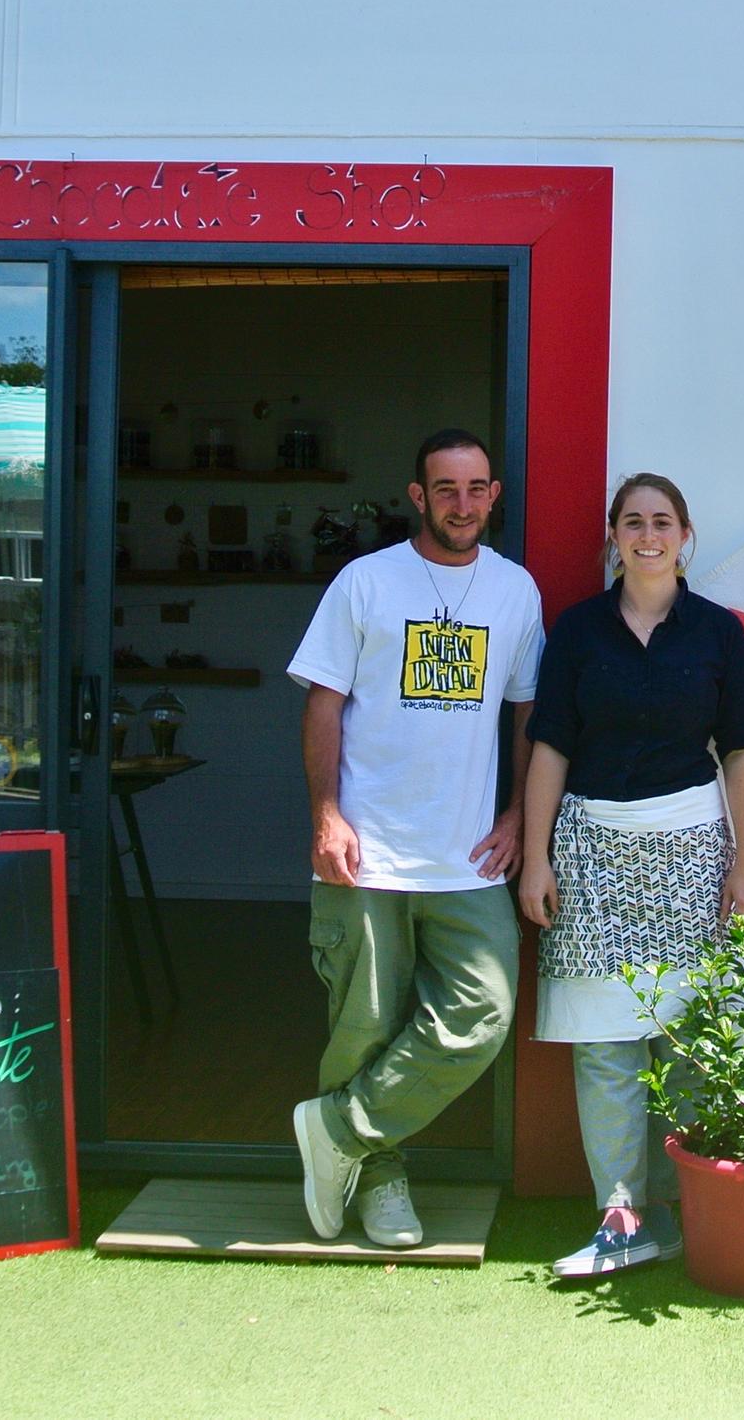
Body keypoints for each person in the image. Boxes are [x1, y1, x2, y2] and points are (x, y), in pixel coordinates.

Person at [287, 428, 543, 1247]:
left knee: (482, 1013)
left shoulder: (516, 592)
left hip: (468, 858)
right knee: (361, 1024)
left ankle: (338, 1131)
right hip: (368, 851)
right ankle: (382, 1181)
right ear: (418, 496)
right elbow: (322, 702)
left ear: (493, 496)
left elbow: (528, 714)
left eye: (476, 489)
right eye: (445, 489)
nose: (461, 504)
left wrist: (516, 818)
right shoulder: (365, 582)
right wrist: (326, 814)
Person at [518, 472, 744, 1278]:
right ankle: (621, 1218)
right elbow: (549, 745)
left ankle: (694, 1211)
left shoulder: (719, 633)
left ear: (685, 535)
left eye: (662, 522)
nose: (648, 535)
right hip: (589, 849)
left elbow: (742, 753)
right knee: (604, 1048)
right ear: (614, 535)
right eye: (634, 522)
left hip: (693, 850)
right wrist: (535, 857)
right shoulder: (579, 629)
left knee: (689, 1039)